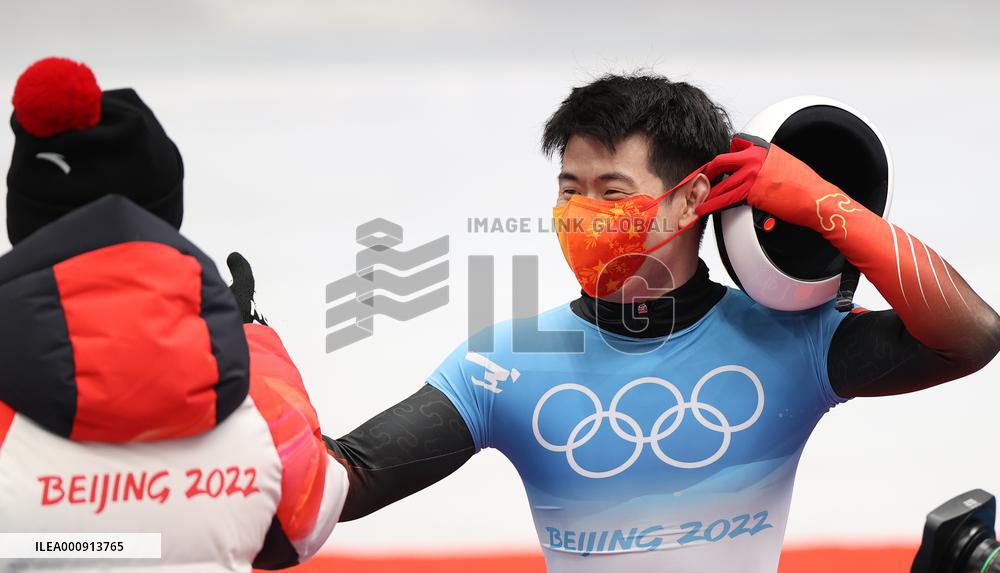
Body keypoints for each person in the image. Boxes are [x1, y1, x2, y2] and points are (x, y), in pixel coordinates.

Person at [321, 73, 1000, 572]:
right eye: (569, 192)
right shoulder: (505, 364)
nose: (582, 213)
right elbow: (340, 482)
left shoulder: (791, 340)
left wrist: (826, 205)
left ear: (690, 201)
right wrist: (251, 360)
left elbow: (971, 337)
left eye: (612, 192)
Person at [0, 57, 346, 571]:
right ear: (167, 219)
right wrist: (254, 347)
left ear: (23, 221)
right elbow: (307, 514)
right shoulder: (253, 406)